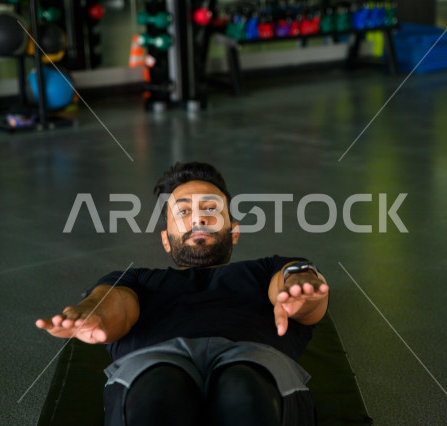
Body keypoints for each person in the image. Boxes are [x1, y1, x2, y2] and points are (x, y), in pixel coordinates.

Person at [36, 162, 329, 426]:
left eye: (212, 210)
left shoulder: (267, 268)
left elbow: (294, 280)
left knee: (243, 386)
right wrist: (94, 314)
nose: (199, 219)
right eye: (184, 211)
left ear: (234, 231)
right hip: (154, 361)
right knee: (160, 388)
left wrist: (299, 289)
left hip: (254, 358)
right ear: (166, 239)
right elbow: (117, 305)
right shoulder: (136, 278)